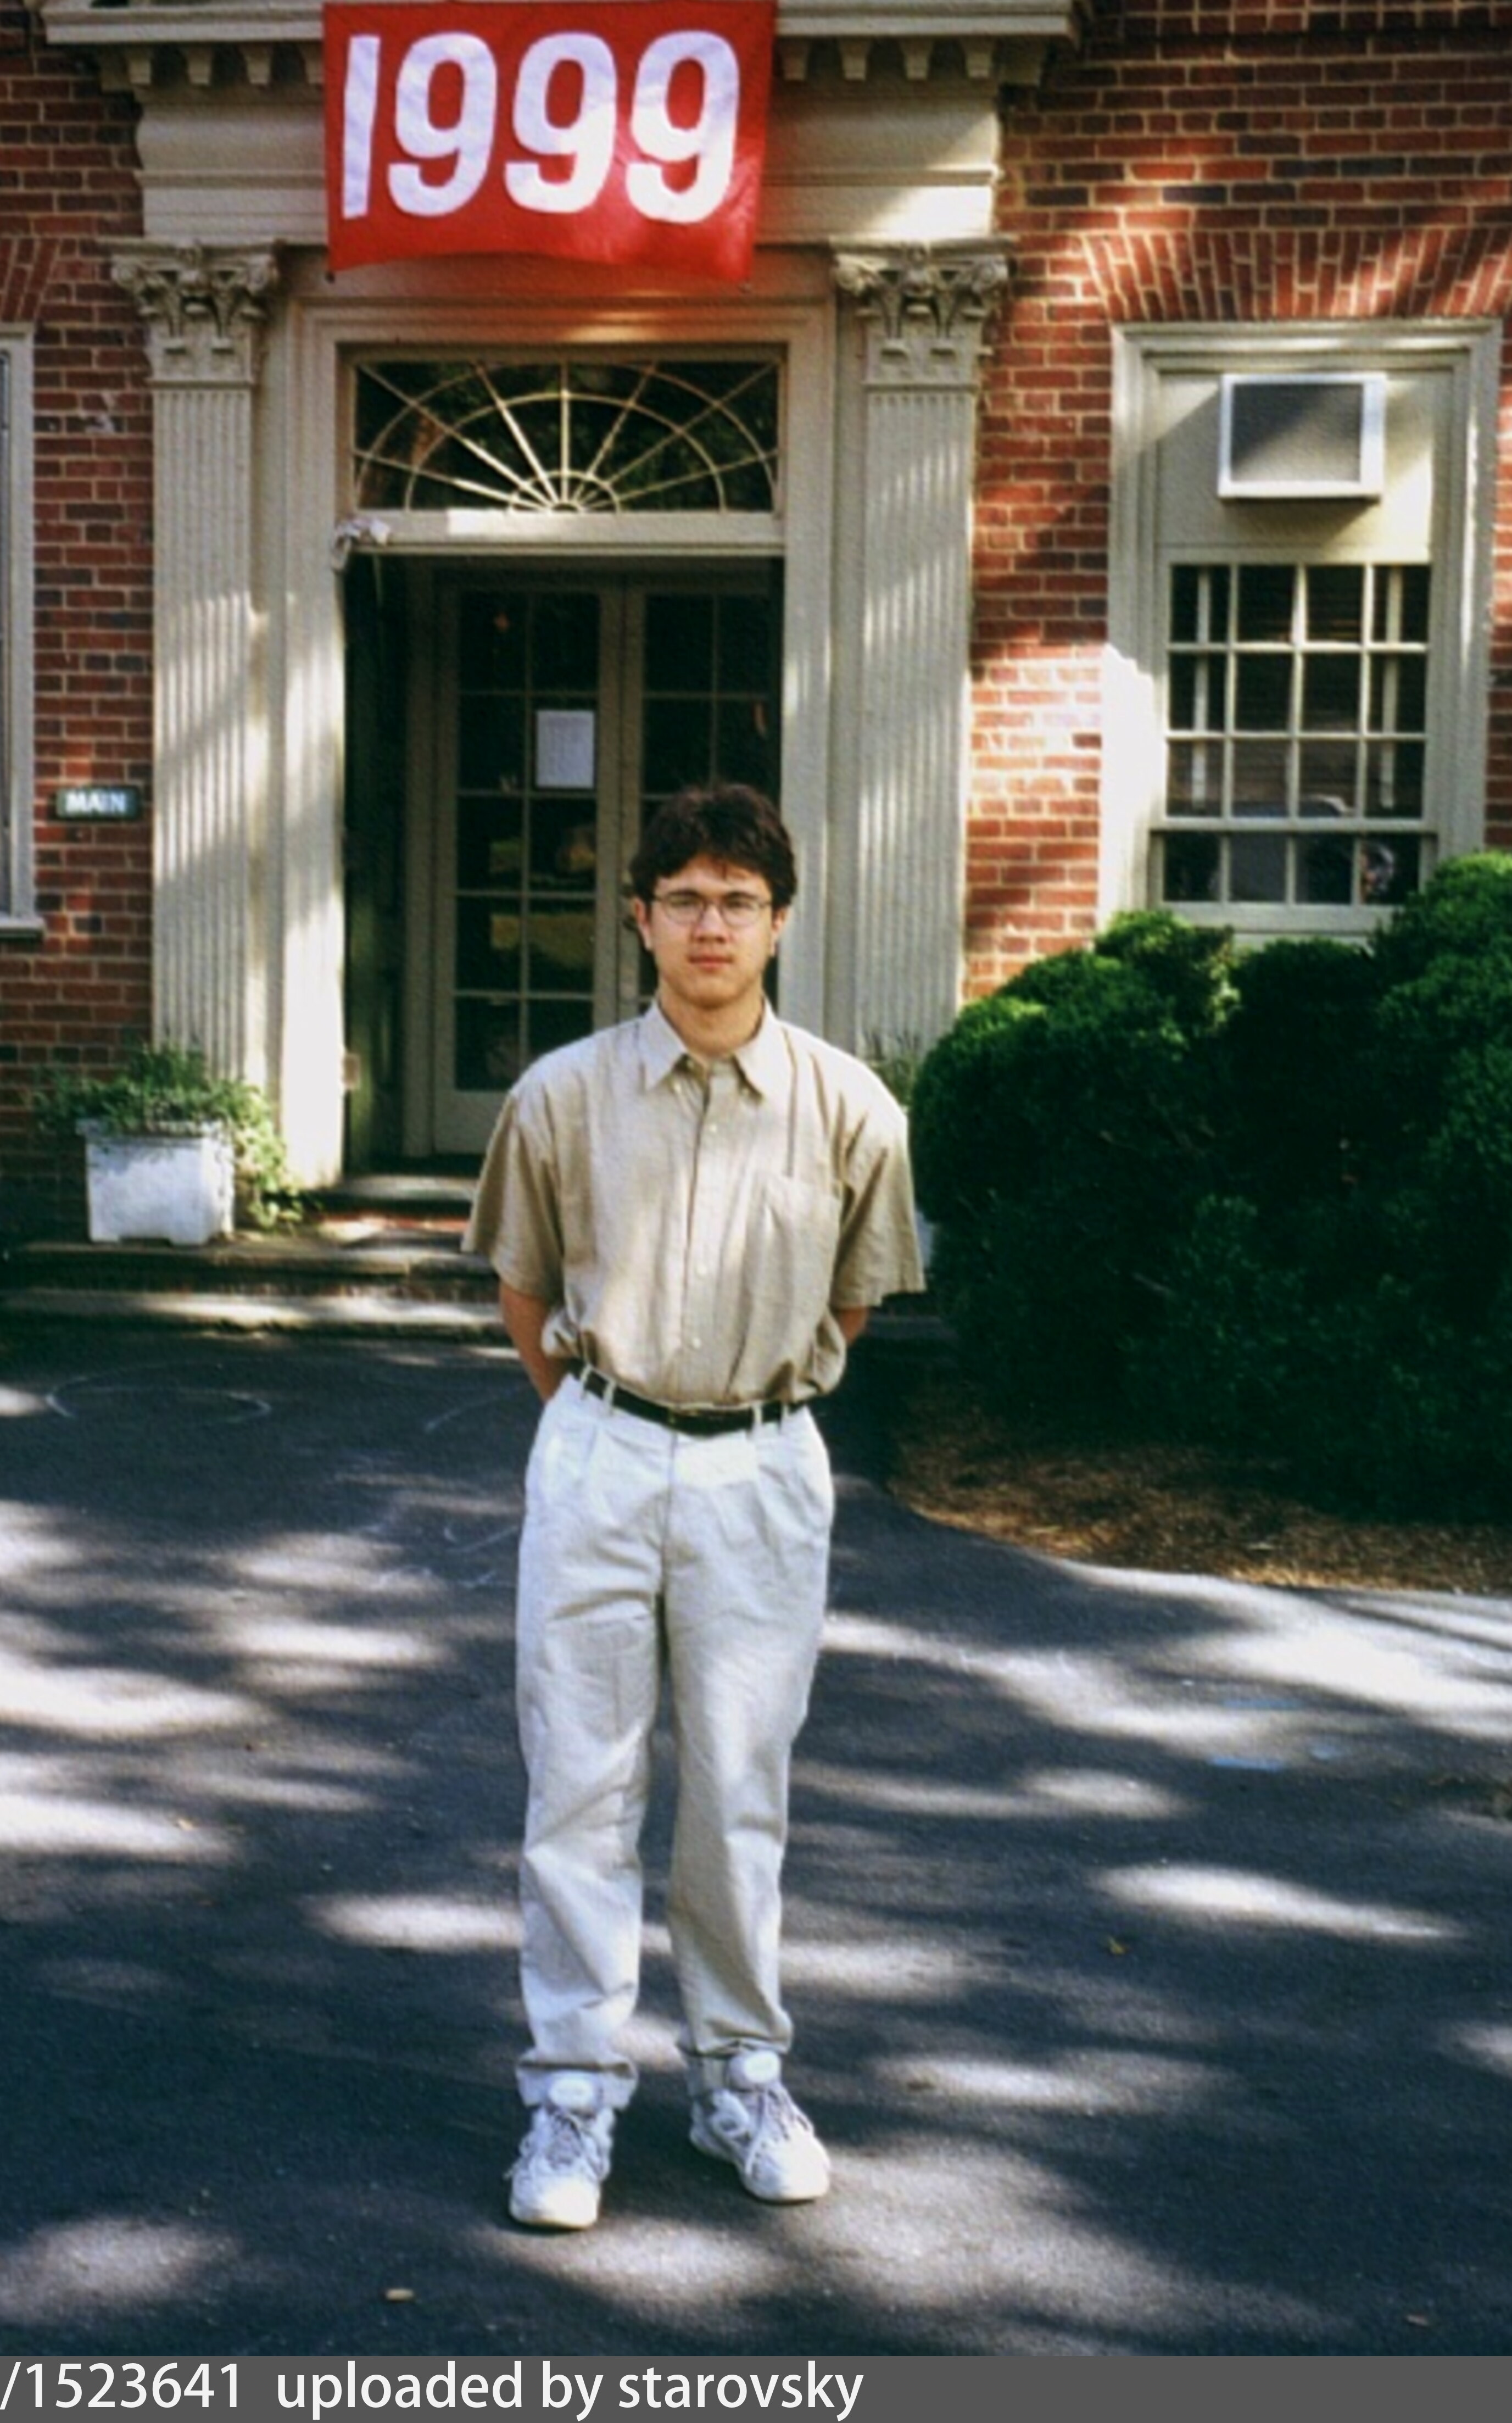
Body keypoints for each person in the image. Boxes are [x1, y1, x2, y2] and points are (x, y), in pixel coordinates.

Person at [465, 781, 925, 2231]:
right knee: (581, 1781)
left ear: (780, 922)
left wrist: (731, 1413)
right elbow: (525, 1290)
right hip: (600, 1447)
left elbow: (854, 1299)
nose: (710, 924)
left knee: (736, 1785)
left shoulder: (851, 1108)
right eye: (684, 898)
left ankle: (740, 2077)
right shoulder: (561, 1095)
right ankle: (571, 2093)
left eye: (738, 899)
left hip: (763, 1465)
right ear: (640, 918)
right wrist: (607, 1420)